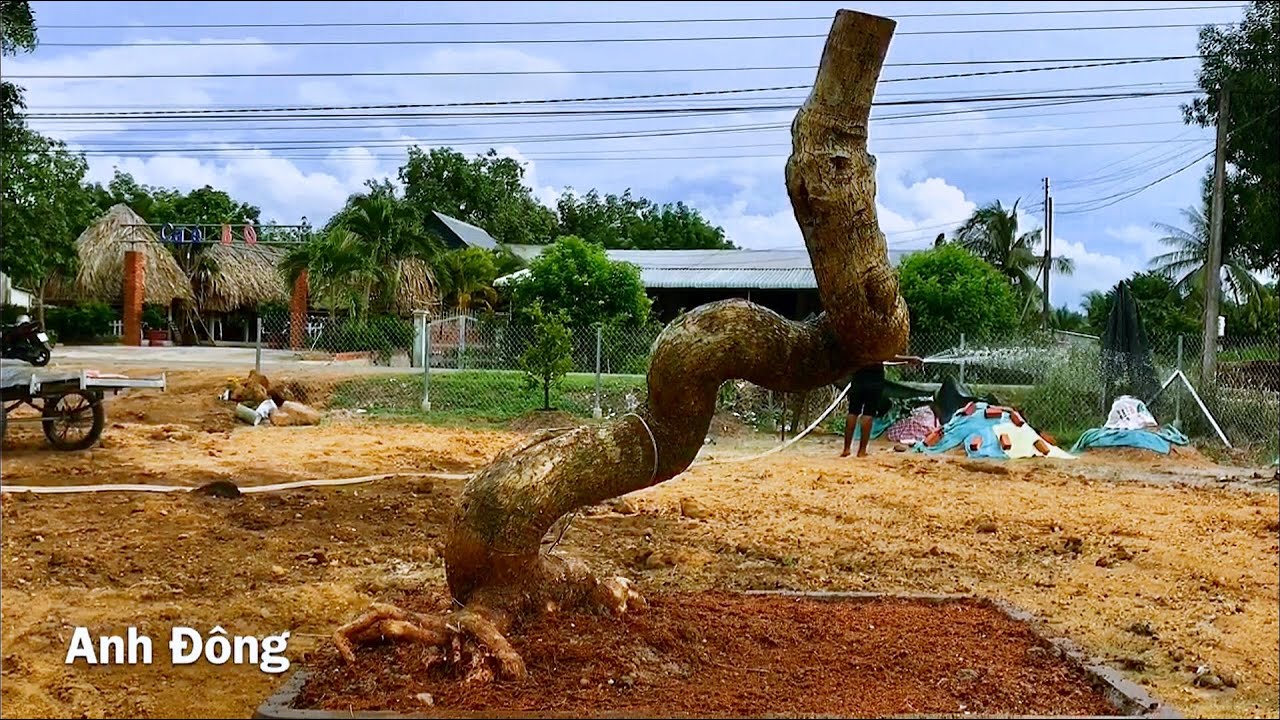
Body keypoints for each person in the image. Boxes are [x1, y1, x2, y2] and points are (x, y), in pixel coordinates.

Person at [841, 355, 924, 457]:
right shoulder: (879, 342)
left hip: (858, 377)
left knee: (852, 411)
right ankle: (862, 451)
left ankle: (846, 449)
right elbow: (888, 356)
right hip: (875, 378)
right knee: (868, 413)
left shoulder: (858, 341)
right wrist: (909, 359)